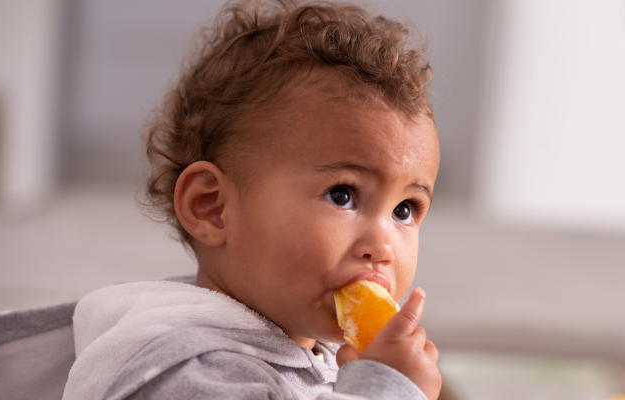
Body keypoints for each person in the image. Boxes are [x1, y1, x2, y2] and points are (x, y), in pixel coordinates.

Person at [59, 0, 442, 399]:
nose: (382, 248)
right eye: (342, 195)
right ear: (213, 207)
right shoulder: (188, 372)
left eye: (404, 210)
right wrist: (387, 390)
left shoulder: (312, 349)